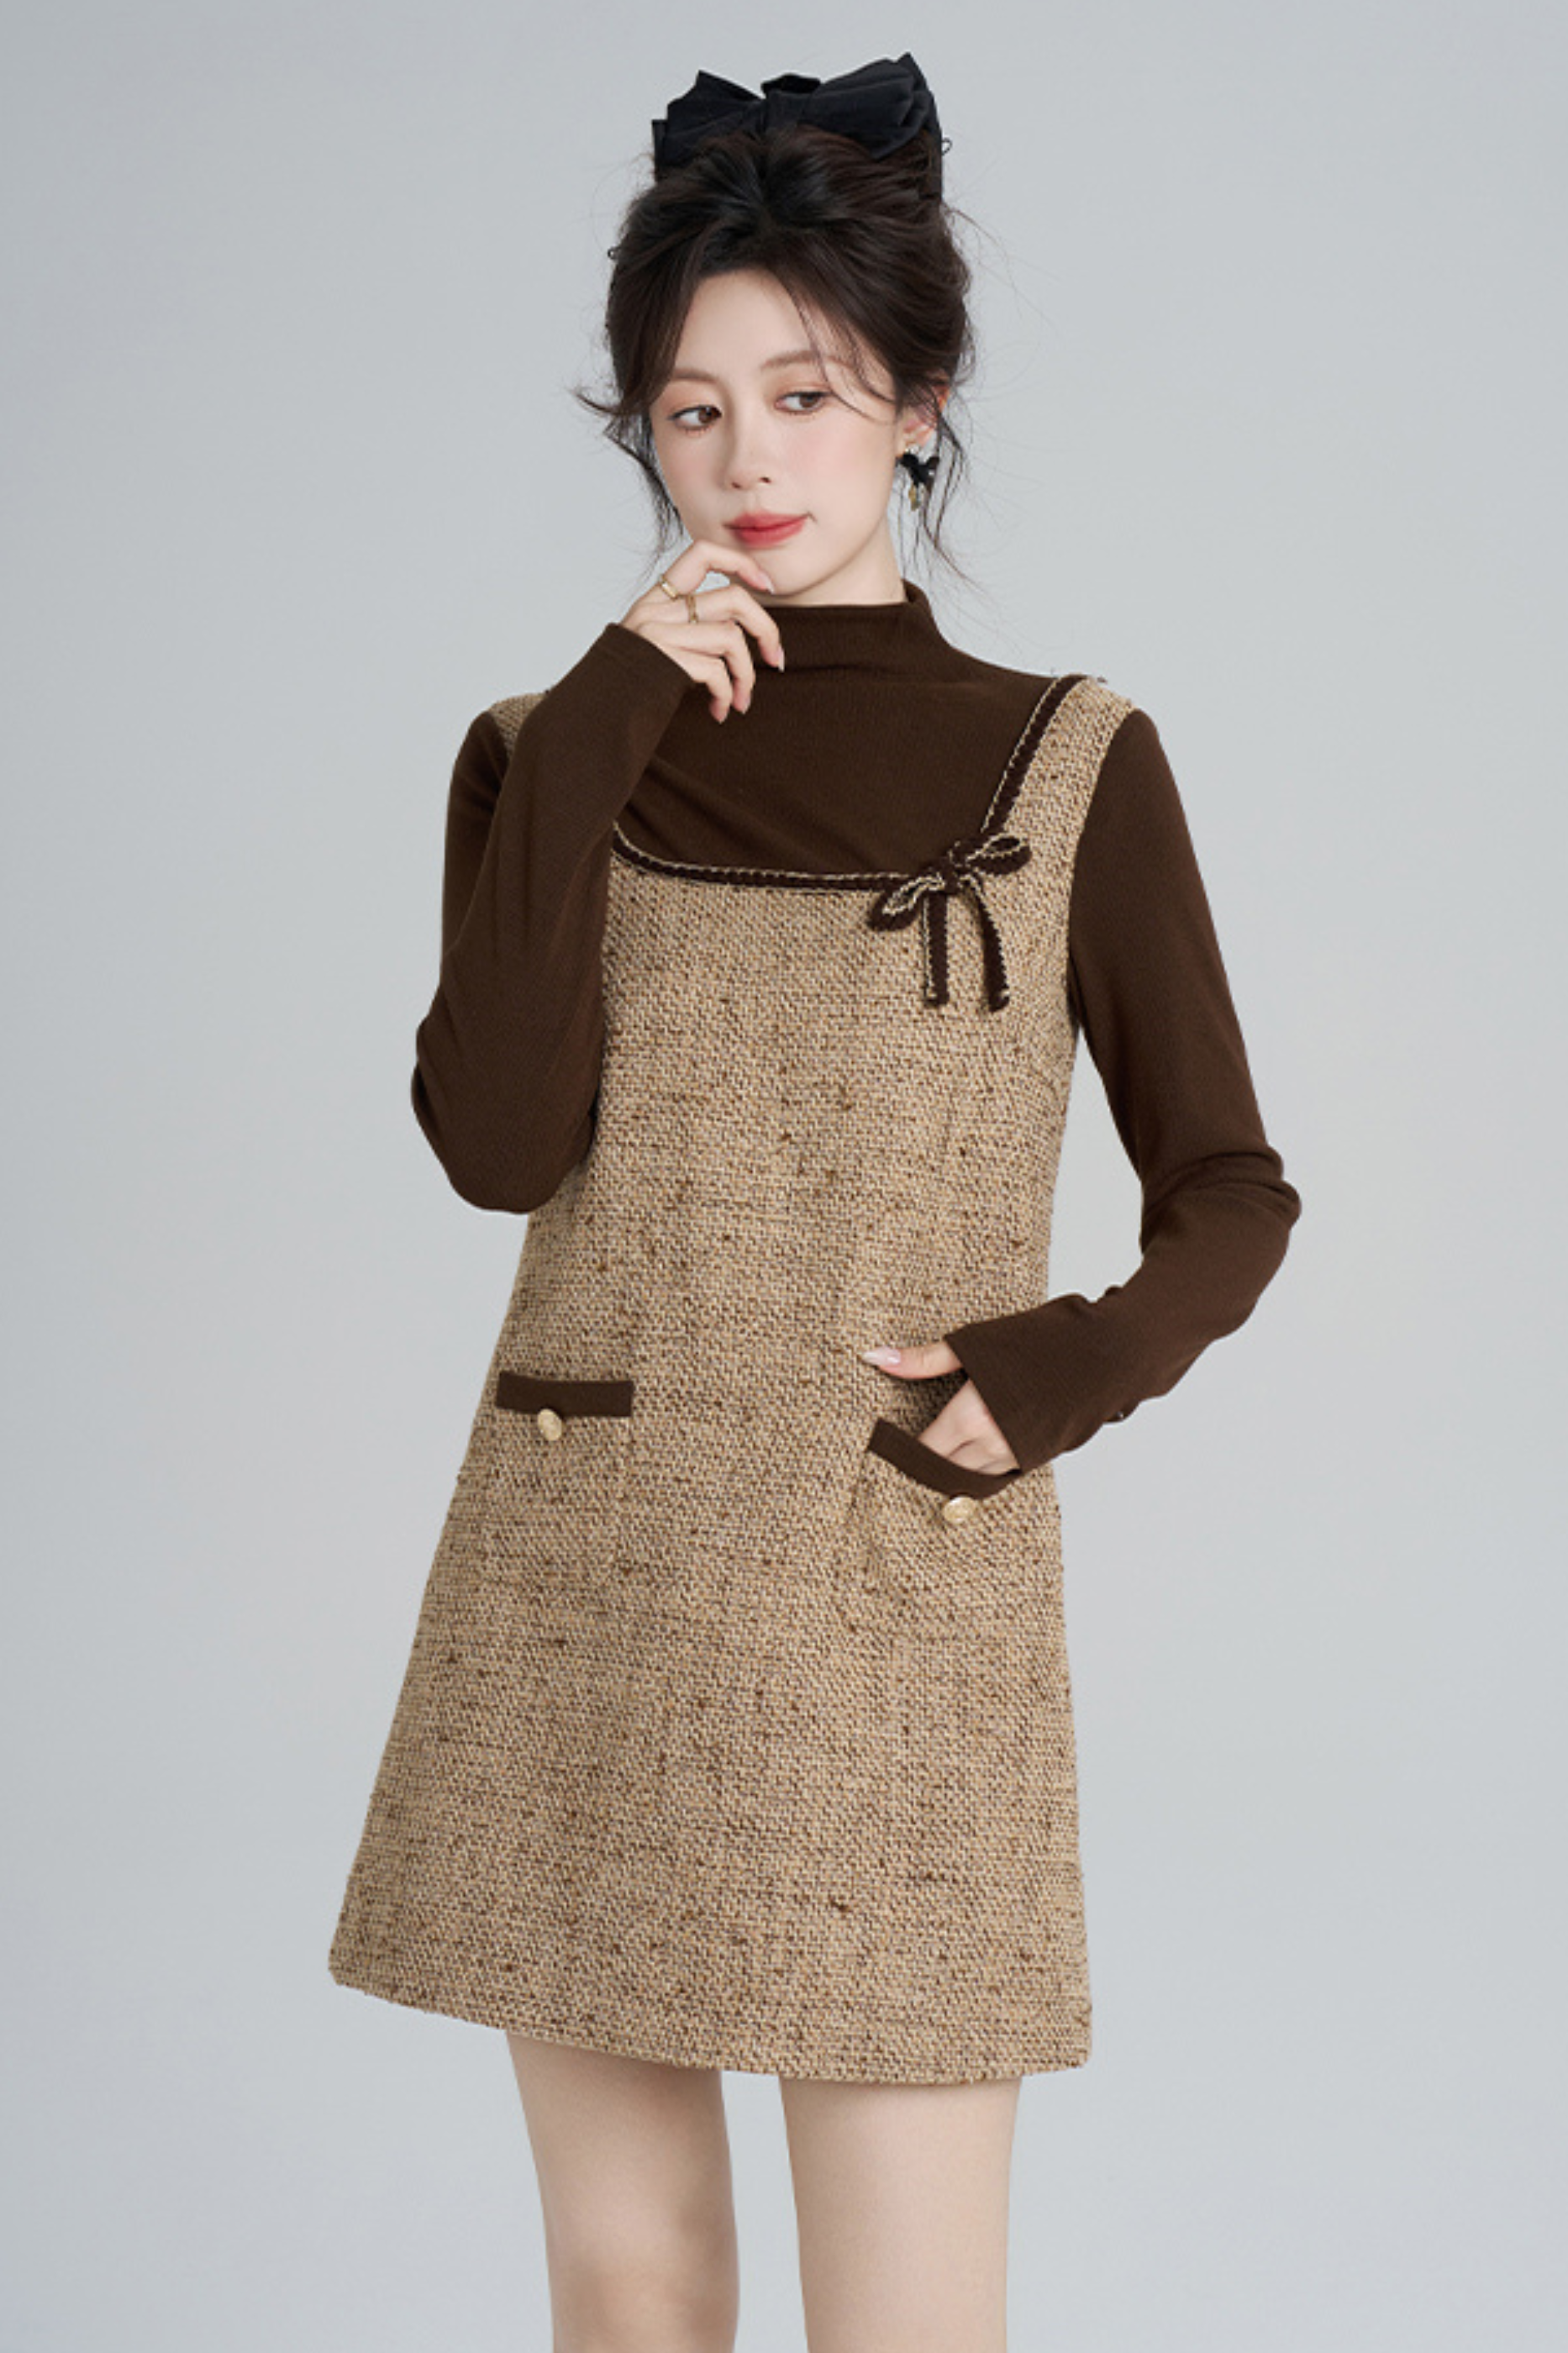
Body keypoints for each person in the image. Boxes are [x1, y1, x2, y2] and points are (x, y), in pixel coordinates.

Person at [329, 53, 1302, 2350]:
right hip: (587, 1586)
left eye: (806, 395)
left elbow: (1232, 1192)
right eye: (693, 413)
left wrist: (1063, 1371)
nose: (749, 461)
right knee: (629, 2288)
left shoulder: (1072, 761)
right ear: (644, 437)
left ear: (918, 407)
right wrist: (601, 715)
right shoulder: (543, 751)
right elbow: (494, 1145)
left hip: (895, 1586)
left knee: (909, 2320)